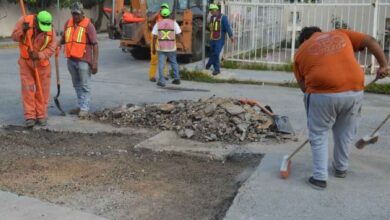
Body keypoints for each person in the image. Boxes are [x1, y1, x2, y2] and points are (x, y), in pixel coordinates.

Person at [293, 26, 388, 190]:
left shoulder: (300, 52)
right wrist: (384, 65)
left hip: (322, 93)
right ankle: (341, 168)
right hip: (354, 90)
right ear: (320, 32)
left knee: (319, 133)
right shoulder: (340, 33)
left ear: (303, 40)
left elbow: (304, 87)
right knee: (344, 131)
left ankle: (320, 178)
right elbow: (370, 41)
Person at [12, 10, 57, 128]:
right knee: (28, 90)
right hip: (26, 62)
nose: (43, 30)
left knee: (42, 91)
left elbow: (52, 48)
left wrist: (39, 55)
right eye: (41, 27)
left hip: (42, 64)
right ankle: (30, 116)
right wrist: (23, 31)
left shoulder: (50, 29)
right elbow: (14, 37)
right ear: (36, 21)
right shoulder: (24, 21)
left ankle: (41, 115)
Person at [58, 2, 99, 119]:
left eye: (77, 14)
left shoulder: (89, 26)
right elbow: (64, 38)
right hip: (71, 60)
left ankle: (85, 109)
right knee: (76, 85)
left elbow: (95, 45)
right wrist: (57, 44)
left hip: (84, 61)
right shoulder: (68, 23)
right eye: (73, 14)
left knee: (84, 85)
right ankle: (80, 105)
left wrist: (95, 63)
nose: (75, 16)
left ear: (82, 13)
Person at [152, 8, 184, 87]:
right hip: (171, 47)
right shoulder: (174, 23)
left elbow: (154, 37)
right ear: (169, 15)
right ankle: (177, 79)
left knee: (161, 64)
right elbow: (179, 35)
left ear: (161, 15)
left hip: (161, 48)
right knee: (174, 62)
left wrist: (153, 48)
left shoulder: (158, 24)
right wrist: (183, 45)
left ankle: (162, 81)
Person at [206, 3, 233, 76]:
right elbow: (210, 28)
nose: (211, 12)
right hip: (212, 38)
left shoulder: (223, 17)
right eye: (210, 11)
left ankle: (211, 65)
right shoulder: (211, 18)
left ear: (216, 10)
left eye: (212, 10)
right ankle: (215, 68)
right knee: (213, 53)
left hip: (219, 39)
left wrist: (231, 36)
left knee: (216, 53)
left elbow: (227, 27)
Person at [148, 3, 170, 82]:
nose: (163, 10)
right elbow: (150, 20)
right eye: (162, 8)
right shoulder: (157, 17)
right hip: (156, 39)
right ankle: (152, 76)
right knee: (154, 59)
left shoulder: (169, 19)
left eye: (164, 8)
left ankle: (165, 75)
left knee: (164, 60)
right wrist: (157, 13)